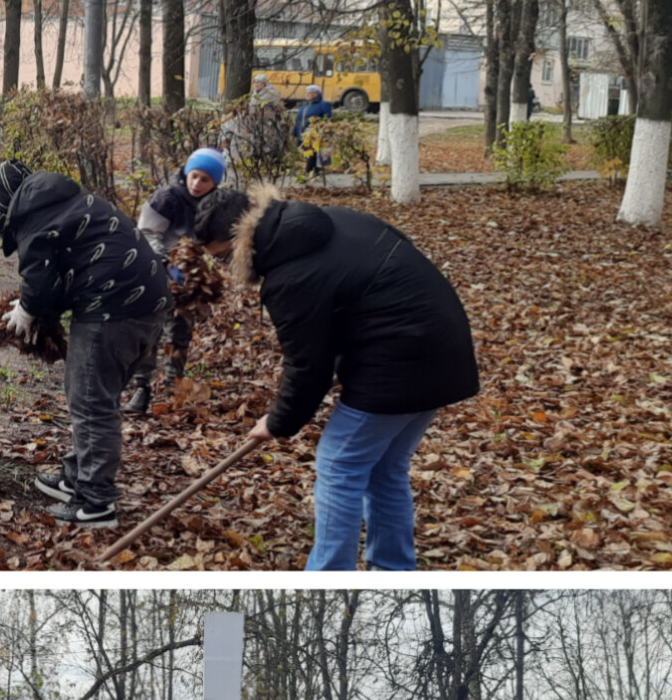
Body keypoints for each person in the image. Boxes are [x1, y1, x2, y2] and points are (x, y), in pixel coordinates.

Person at [195, 184, 479, 569]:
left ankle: (329, 576)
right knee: (385, 467)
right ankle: (393, 568)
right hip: (445, 350)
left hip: (402, 362)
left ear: (241, 242)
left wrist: (278, 422)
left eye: (223, 258)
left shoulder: (290, 278)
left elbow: (308, 367)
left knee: (338, 466)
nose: (223, 268)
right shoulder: (336, 218)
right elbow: (366, 293)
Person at [0, 160, 172, 532]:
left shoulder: (34, 217)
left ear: (5, 210)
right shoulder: (63, 202)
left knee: (90, 401)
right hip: (145, 301)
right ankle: (77, 475)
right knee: (94, 394)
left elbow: (42, 283)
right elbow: (66, 270)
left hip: (115, 310)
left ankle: (97, 503)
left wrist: (28, 308)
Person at [135, 146, 226, 408]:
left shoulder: (217, 205)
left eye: (205, 179)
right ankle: (141, 387)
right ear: (187, 171)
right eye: (194, 175)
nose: (197, 183)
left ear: (215, 183)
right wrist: (168, 264)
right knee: (151, 330)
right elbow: (147, 233)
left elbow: (218, 243)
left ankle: (174, 385)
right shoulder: (167, 198)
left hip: (189, 279)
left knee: (180, 331)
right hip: (156, 270)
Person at [294, 85, 334, 178]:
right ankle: (314, 173)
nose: (307, 94)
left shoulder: (323, 104)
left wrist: (323, 131)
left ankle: (309, 172)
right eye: (306, 92)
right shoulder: (305, 104)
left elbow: (328, 120)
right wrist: (295, 132)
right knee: (308, 154)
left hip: (315, 135)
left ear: (316, 94)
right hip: (303, 134)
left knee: (312, 155)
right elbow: (299, 119)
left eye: (309, 93)